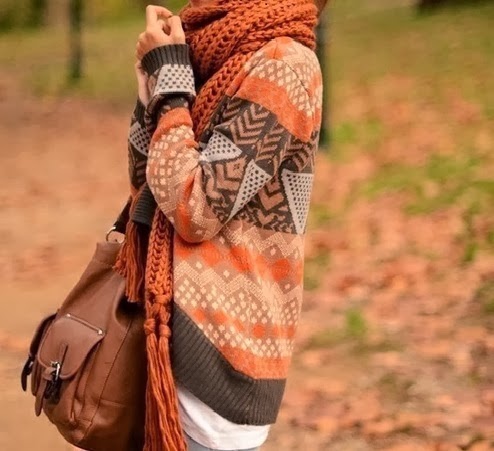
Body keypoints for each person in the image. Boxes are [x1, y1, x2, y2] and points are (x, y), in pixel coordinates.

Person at [124, 0, 327, 449]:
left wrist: (171, 90)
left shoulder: (285, 66)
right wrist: (151, 88)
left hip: (217, 361)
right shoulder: (210, 53)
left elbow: (194, 209)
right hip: (160, 338)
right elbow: (146, 185)